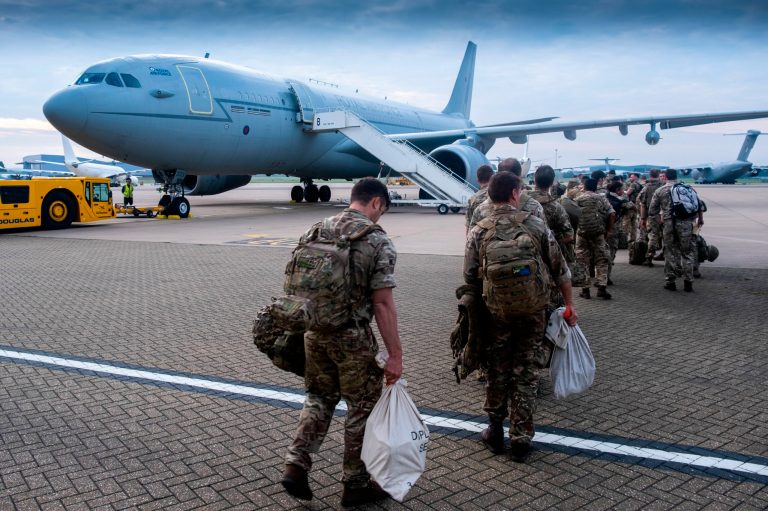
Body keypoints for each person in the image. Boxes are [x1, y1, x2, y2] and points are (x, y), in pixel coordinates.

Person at [281, 177, 403, 507]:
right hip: (351, 338)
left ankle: (296, 464)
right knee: (361, 409)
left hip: (314, 332)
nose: (381, 217)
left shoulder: (317, 229)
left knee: (319, 398)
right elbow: (382, 304)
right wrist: (395, 355)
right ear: (376, 202)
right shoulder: (377, 240)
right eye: (383, 210)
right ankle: (355, 483)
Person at [464, 171, 577, 462]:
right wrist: (569, 305)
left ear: (489, 195)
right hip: (532, 311)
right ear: (515, 194)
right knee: (525, 371)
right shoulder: (537, 225)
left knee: (497, 369)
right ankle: (521, 438)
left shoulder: (478, 230)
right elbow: (561, 270)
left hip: (495, 313)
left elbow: (469, 279)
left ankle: (494, 431)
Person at [528, 165, 575, 306]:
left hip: (525, 253)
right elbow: (569, 236)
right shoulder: (556, 207)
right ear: (552, 183)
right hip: (550, 257)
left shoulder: (521, 202)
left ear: (534, 180)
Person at [648, 169, 700, 292]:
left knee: (670, 252)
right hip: (686, 224)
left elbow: (652, 210)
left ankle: (670, 281)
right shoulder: (687, 188)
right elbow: (698, 206)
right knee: (687, 252)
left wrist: (659, 219)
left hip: (668, 225)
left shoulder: (660, 190)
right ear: (676, 176)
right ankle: (688, 282)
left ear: (665, 177)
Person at [469, 157, 545, 229]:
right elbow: (546, 239)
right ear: (519, 177)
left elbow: (471, 237)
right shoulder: (534, 207)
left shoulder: (480, 209)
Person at [575, 177, 615, 299]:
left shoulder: (578, 199)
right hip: (598, 233)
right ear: (596, 187)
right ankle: (602, 288)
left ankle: (585, 290)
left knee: (582, 261)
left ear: (584, 186)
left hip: (581, 233)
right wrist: (608, 230)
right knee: (601, 259)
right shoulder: (601, 198)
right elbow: (612, 213)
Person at [605, 180, 633, 285]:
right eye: (621, 189)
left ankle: (594, 273)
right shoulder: (620, 201)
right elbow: (633, 207)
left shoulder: (603, 197)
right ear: (617, 190)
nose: (623, 191)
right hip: (612, 229)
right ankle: (605, 277)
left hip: (600, 229)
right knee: (610, 252)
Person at [637, 168, 664, 266]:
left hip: (652, 216)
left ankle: (649, 257)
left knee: (652, 236)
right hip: (665, 215)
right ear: (659, 174)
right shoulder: (663, 186)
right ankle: (664, 254)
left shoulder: (646, 187)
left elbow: (642, 204)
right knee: (666, 236)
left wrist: (643, 218)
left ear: (650, 175)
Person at [465, 164, 494, 235]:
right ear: (492, 177)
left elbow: (469, 225)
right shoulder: (499, 194)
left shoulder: (472, 199)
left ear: (477, 180)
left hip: (479, 239)